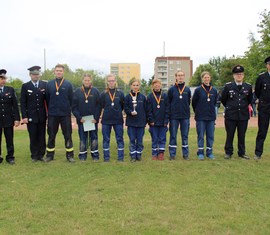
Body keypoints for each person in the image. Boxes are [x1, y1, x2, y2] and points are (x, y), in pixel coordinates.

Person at [221, 65, 252, 160]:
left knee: (242, 135)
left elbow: (249, 99)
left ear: (243, 75)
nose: (239, 76)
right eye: (237, 74)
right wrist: (231, 107)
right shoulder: (228, 86)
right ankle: (228, 152)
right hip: (231, 115)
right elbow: (223, 99)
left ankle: (241, 152)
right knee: (230, 134)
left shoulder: (248, 86)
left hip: (243, 115)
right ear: (233, 75)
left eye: (241, 74)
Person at [45, 64, 75, 163]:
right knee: (51, 135)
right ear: (54, 71)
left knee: (67, 135)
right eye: (57, 70)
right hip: (53, 115)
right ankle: (50, 155)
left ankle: (70, 155)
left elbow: (71, 99)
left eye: (60, 71)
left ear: (63, 72)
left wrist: (67, 109)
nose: (59, 72)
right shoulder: (49, 84)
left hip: (65, 115)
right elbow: (47, 99)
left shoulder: (68, 84)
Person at [20, 66, 47, 162]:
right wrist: (24, 116)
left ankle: (41, 154)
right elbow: (23, 103)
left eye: (37, 74)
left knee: (42, 135)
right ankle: (34, 155)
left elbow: (47, 101)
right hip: (31, 116)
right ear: (30, 75)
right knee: (33, 136)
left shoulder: (44, 85)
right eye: (34, 74)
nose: (36, 76)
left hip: (42, 115)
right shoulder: (25, 86)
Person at [72, 74, 101, 161]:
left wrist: (96, 118)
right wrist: (79, 117)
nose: (87, 82)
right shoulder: (77, 91)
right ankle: (82, 156)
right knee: (82, 138)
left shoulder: (95, 91)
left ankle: (95, 155)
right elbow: (74, 107)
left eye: (88, 80)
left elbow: (98, 106)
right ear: (82, 81)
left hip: (92, 120)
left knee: (94, 138)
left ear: (91, 81)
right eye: (85, 80)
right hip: (82, 120)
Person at [192, 71, 218, 160]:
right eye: (205, 77)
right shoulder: (198, 90)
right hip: (201, 117)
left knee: (210, 136)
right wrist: (198, 111)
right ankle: (200, 153)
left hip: (211, 117)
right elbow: (194, 103)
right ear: (202, 79)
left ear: (210, 78)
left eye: (208, 77)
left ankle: (209, 152)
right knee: (201, 136)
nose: (207, 79)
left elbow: (214, 103)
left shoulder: (214, 90)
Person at [100, 74, 125, 162]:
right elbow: (102, 105)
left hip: (118, 120)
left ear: (115, 81)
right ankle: (106, 158)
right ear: (107, 82)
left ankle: (120, 158)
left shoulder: (120, 93)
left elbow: (122, 105)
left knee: (119, 139)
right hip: (106, 120)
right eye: (109, 81)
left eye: (113, 80)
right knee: (106, 139)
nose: (111, 82)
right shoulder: (103, 94)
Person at [168, 70, 191, 160]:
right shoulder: (171, 89)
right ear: (176, 77)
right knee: (173, 135)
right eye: (179, 75)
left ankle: (185, 154)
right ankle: (172, 154)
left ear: (184, 77)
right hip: (174, 117)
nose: (180, 77)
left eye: (182, 75)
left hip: (185, 116)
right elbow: (169, 102)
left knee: (185, 136)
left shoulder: (187, 89)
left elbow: (188, 102)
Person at [124, 78, 147, 162]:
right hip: (131, 123)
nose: (135, 87)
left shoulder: (143, 97)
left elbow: (146, 109)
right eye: (134, 85)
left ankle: (139, 155)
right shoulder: (127, 97)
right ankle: (133, 155)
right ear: (131, 86)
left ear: (139, 86)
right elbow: (125, 108)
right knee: (132, 140)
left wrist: (145, 121)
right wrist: (130, 112)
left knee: (140, 140)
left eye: (137, 85)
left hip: (141, 123)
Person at [0, 69, 20, 164]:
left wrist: (16, 119)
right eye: (1, 78)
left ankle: (10, 157)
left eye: (4, 78)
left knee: (9, 139)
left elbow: (15, 105)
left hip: (8, 118)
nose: (3, 80)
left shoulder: (10, 89)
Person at [147, 78, 169, 160]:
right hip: (153, 122)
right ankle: (154, 154)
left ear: (161, 85)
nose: (157, 85)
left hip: (163, 122)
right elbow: (148, 110)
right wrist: (151, 120)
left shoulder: (165, 96)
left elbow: (167, 109)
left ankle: (161, 153)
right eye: (155, 84)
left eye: (158, 84)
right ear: (152, 86)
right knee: (155, 138)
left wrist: (166, 120)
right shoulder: (149, 96)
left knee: (162, 138)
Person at [254, 56, 270, 160]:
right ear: (267, 65)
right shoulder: (261, 77)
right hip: (265, 107)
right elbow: (258, 92)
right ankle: (258, 153)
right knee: (262, 130)